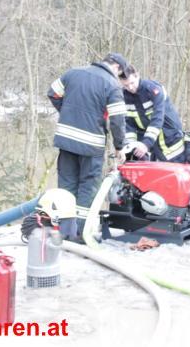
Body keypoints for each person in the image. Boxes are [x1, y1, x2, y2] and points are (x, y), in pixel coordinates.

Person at [47, 53, 128, 241]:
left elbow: (53, 93)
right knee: (88, 187)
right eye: (120, 73)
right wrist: (119, 146)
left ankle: (64, 231)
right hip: (91, 145)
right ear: (116, 67)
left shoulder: (73, 73)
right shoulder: (112, 85)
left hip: (66, 139)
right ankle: (81, 234)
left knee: (66, 186)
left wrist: (68, 113)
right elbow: (117, 120)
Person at [119, 65, 187, 162]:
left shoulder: (153, 90)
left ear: (137, 76)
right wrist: (130, 147)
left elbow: (157, 118)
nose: (130, 87)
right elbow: (128, 123)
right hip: (148, 140)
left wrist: (146, 143)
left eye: (132, 83)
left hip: (170, 138)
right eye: (126, 85)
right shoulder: (123, 96)